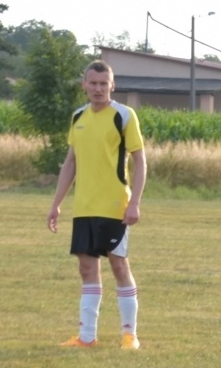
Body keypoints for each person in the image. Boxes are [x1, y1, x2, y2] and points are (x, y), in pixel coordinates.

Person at [46, 61, 146, 349]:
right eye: (93, 83)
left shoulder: (124, 116)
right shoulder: (78, 116)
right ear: (84, 85)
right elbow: (71, 163)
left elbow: (140, 161)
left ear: (112, 85)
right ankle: (87, 336)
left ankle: (130, 334)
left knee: (118, 266)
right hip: (84, 208)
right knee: (87, 270)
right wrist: (56, 204)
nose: (98, 89)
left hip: (115, 206)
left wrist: (135, 202)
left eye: (104, 84)